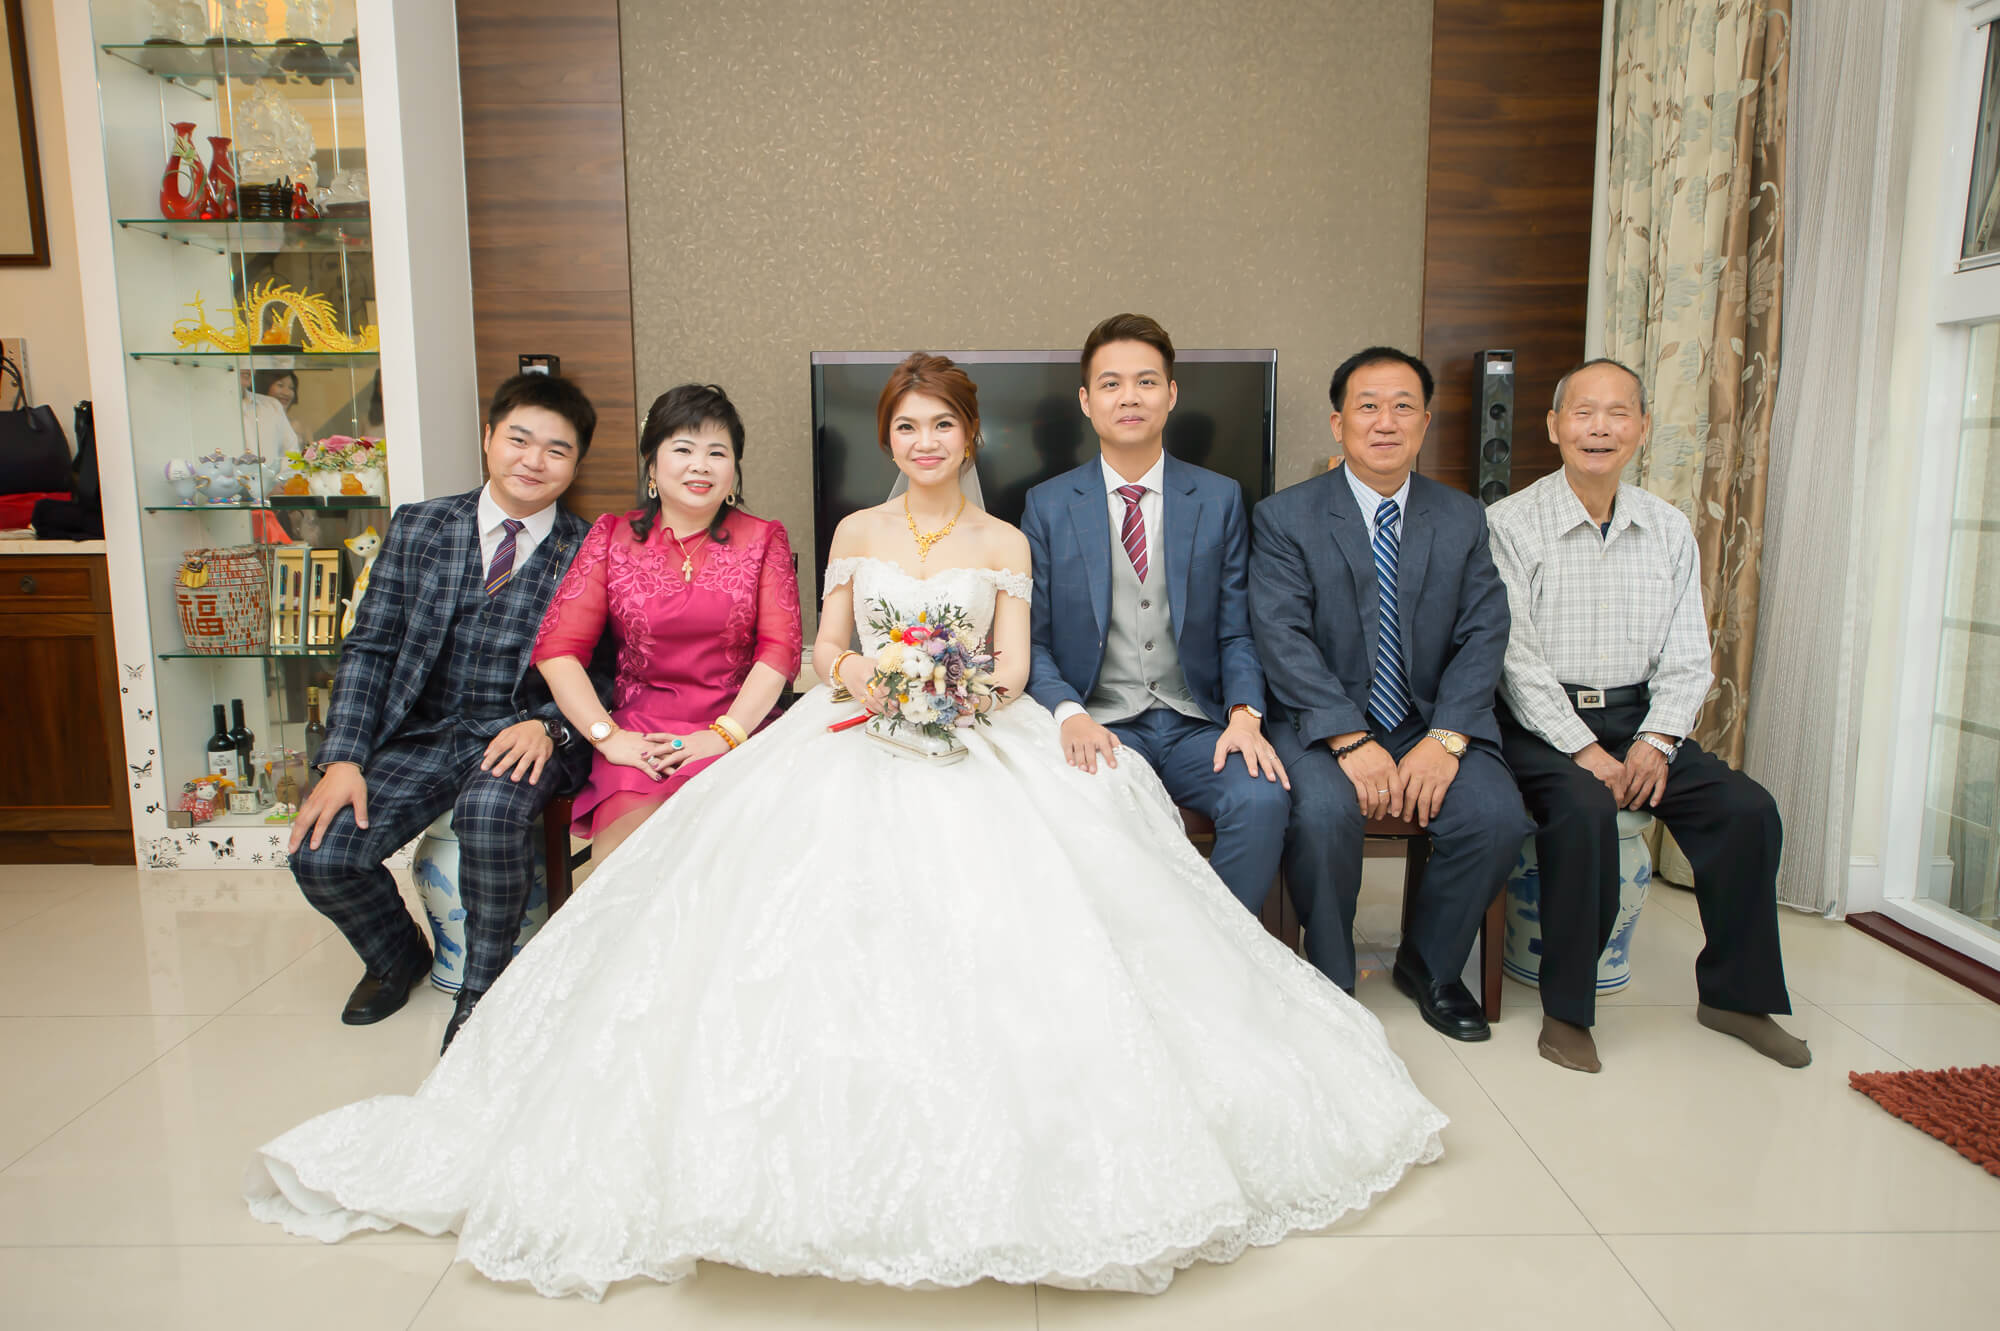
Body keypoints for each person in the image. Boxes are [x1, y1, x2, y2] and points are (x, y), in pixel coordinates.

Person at [246, 353, 1446, 1299]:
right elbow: (820, 650)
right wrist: (872, 678)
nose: (924, 442)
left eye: (942, 425)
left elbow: (1014, 667)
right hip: (853, 730)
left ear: (970, 437)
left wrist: (952, 690)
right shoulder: (855, 535)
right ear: (888, 439)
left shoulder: (1003, 540)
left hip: (979, 735)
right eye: (906, 426)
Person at [1487, 358, 1807, 1074]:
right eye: (1583, 412)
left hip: (1638, 719)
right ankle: (1568, 1013)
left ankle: (1736, 997)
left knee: (1746, 811)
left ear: (1642, 428)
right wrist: (1584, 751)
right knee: (1583, 810)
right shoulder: (1508, 524)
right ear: (1553, 426)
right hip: (1540, 724)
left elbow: (1689, 655)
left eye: (1617, 413)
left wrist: (1657, 741)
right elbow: (1515, 661)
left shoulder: (1666, 527)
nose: (1599, 428)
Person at [285, 373, 598, 1054]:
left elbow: (605, 669)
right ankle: (397, 957)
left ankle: (483, 991)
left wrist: (550, 724)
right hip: (423, 731)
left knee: (489, 812)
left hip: (520, 732)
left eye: (556, 450)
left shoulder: (591, 549)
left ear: (576, 465)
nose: (533, 460)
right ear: (488, 438)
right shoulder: (420, 525)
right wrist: (344, 758)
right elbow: (371, 646)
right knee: (321, 854)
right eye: (519, 439)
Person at [1250, 347, 1529, 1040]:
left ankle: (1430, 965)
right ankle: (1332, 974)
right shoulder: (1285, 516)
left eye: (1403, 407)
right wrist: (1350, 738)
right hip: (1323, 721)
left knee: (1495, 815)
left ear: (1425, 422)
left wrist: (1447, 737)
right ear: (1338, 422)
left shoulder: (1462, 517)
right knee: (1322, 813)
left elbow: (1485, 631)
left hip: (1430, 718)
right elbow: (1282, 637)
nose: (1385, 421)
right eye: (1368, 406)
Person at [1021, 314, 1290, 916]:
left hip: (1198, 722)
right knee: (1080, 812)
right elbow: (1031, 641)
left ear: (1171, 394)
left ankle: (1220, 951)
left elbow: (1237, 630)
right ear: (1086, 401)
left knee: (1262, 798)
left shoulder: (1219, 497)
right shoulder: (1047, 505)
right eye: (1111, 384)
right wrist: (1068, 713)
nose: (1130, 397)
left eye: (1145, 382)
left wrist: (1244, 716)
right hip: (1101, 723)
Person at [532, 384, 802, 863]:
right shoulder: (611, 537)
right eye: (683, 449)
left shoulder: (764, 539)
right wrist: (608, 737)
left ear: (734, 469)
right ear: (652, 465)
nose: (701, 465)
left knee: (736, 861)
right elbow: (558, 649)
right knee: (628, 866)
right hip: (641, 737)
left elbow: (779, 651)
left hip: (739, 728)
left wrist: (722, 735)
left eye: (717, 452)